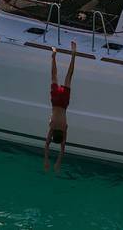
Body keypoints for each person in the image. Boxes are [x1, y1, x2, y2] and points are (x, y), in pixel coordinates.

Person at [44, 40, 77, 172]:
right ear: (53, 136)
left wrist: (58, 162)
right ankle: (54, 56)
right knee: (54, 76)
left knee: (69, 77)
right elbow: (46, 146)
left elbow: (62, 149)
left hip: (63, 103)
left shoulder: (64, 128)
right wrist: (46, 160)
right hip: (55, 102)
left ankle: (73, 55)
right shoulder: (52, 127)